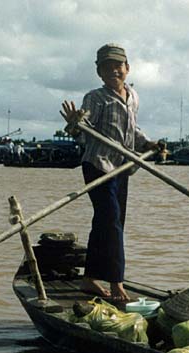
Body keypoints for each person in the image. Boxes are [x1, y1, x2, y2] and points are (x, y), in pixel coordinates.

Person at [60, 43, 160, 302]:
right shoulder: (96, 97)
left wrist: (149, 144)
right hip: (97, 165)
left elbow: (133, 131)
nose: (113, 70)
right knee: (112, 222)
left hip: (123, 167)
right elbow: (83, 126)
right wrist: (74, 124)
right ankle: (117, 283)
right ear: (99, 72)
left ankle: (89, 278)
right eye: (107, 66)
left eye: (118, 65)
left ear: (127, 68)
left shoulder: (133, 97)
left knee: (109, 223)